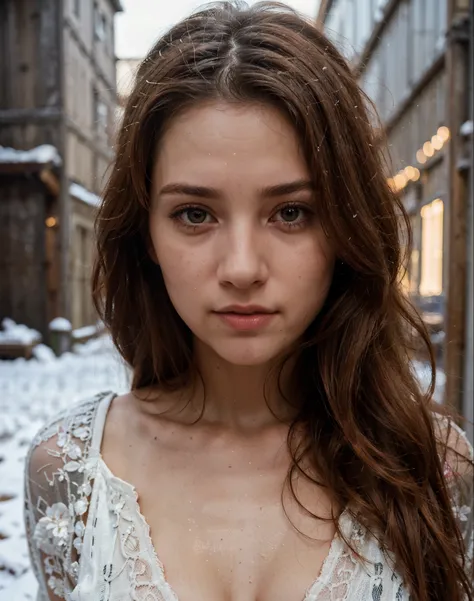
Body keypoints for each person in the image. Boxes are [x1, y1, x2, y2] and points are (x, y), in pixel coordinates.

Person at [24, 2, 473, 600]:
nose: (241, 268)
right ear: (146, 235)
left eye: (291, 213)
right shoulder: (71, 474)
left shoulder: (433, 467)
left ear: (345, 227)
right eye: (194, 214)